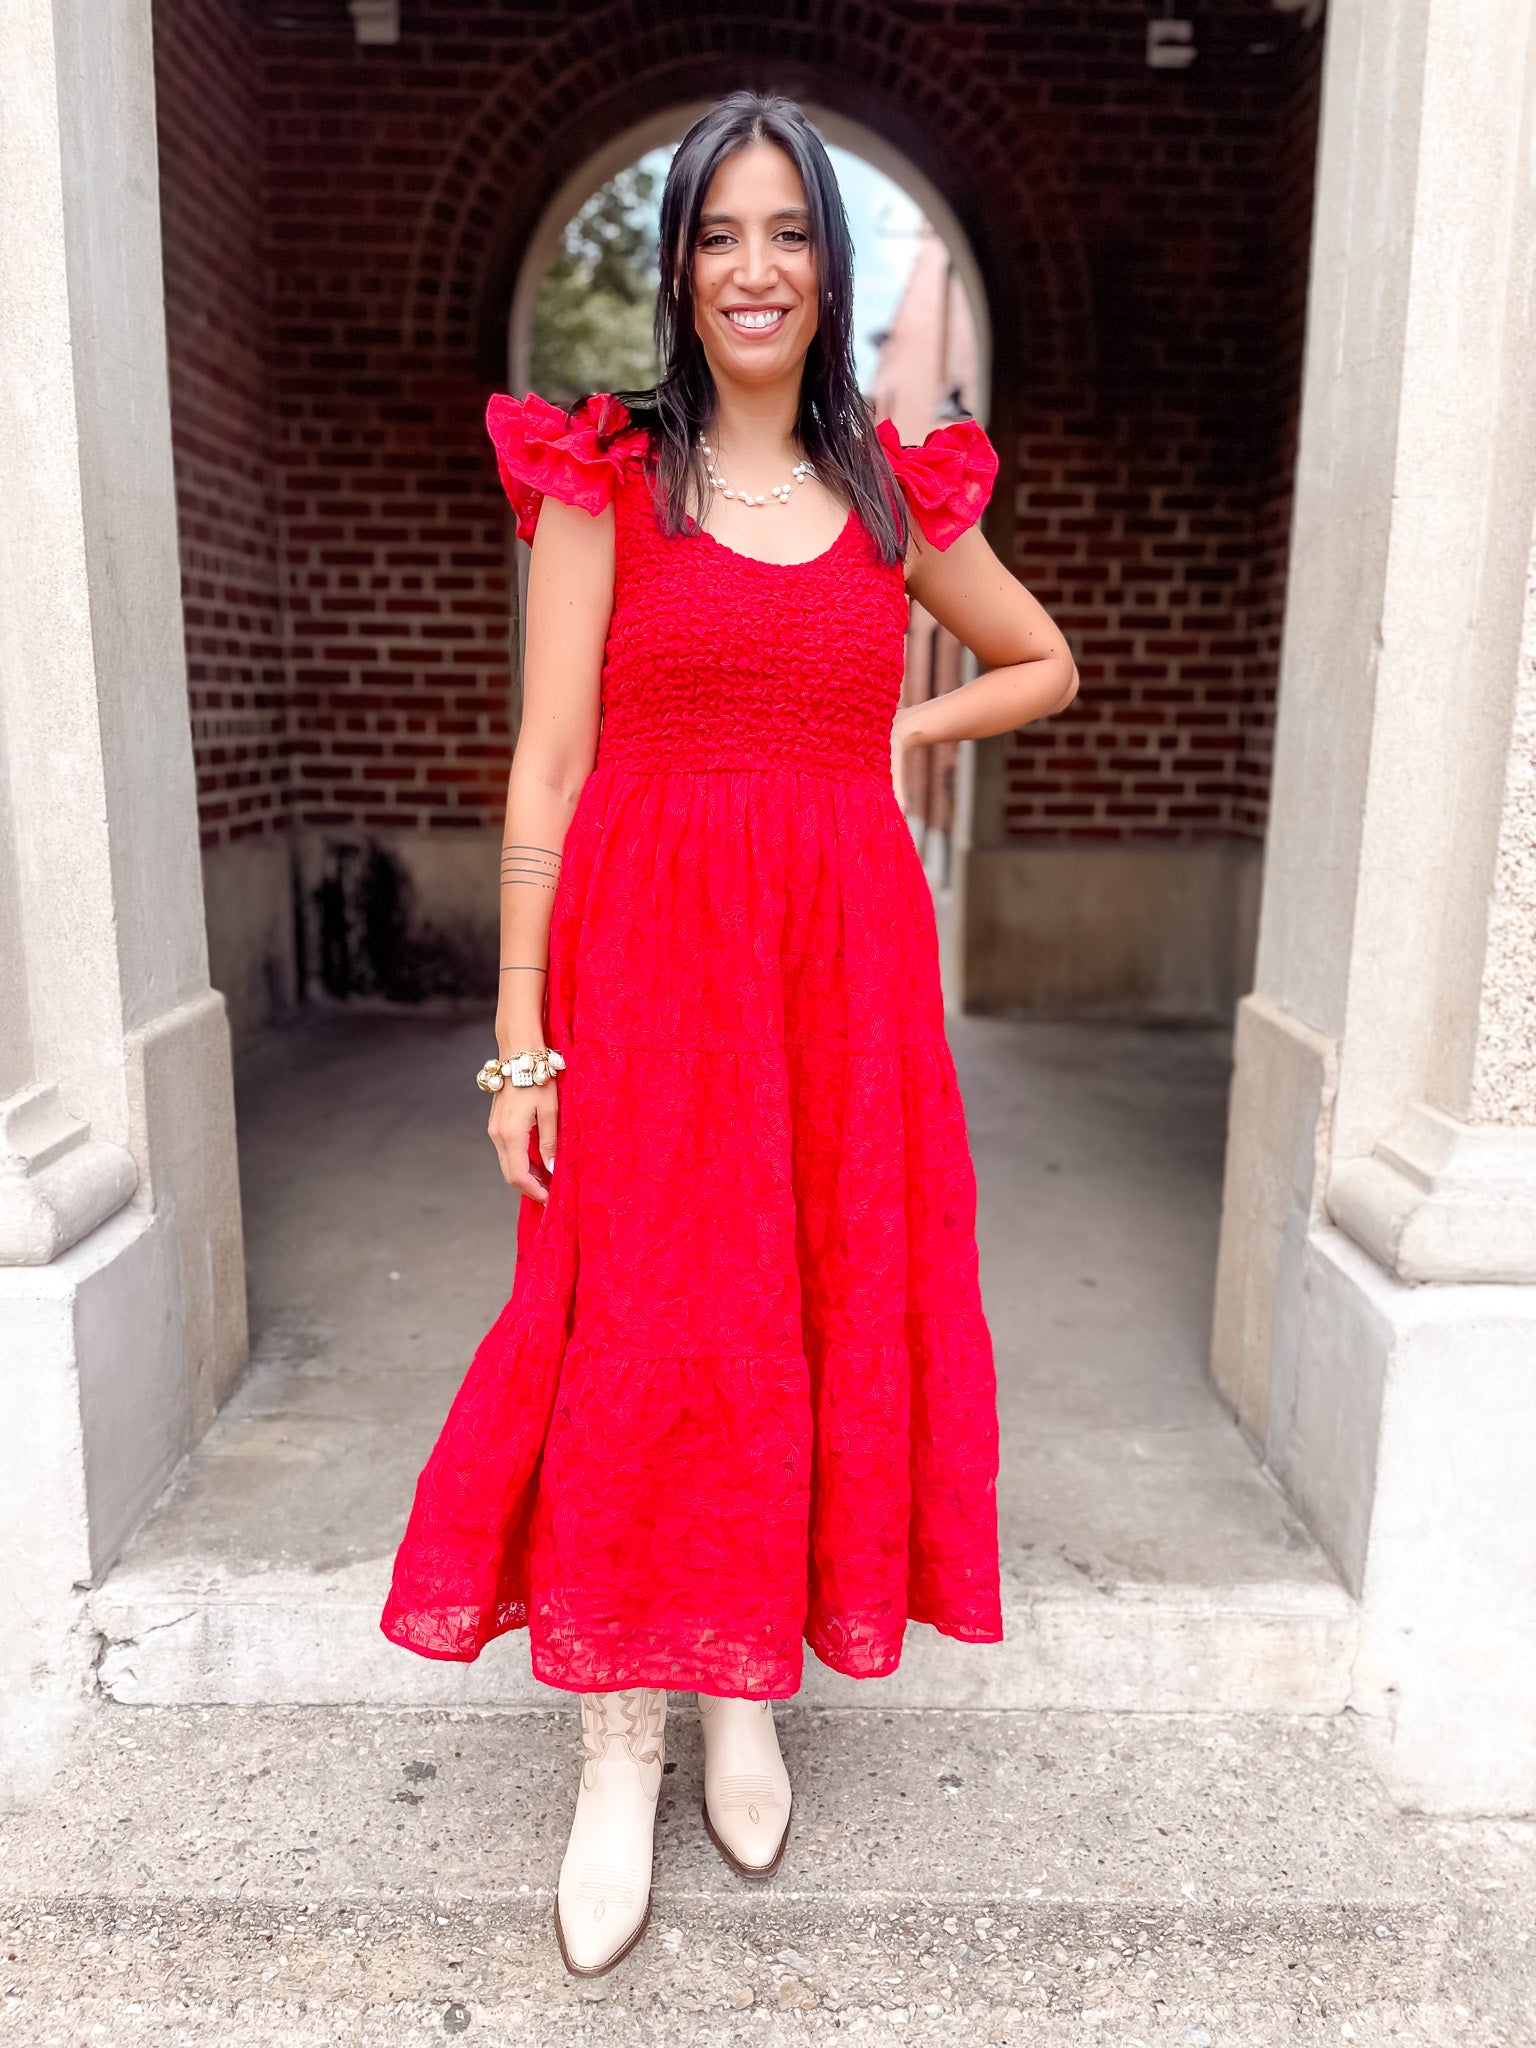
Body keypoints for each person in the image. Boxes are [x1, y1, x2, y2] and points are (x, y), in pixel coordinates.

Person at [379, 90, 1078, 1978]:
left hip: (839, 978)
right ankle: (622, 1738)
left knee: (803, 1314)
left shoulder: (892, 493)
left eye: (789, 235)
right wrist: (522, 1040)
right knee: (636, 1327)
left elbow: (1042, 661)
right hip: (646, 962)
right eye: (719, 235)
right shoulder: (604, 478)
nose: (753, 268)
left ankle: (744, 1683)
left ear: (829, 273)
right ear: (681, 271)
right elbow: (544, 768)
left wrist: (900, 738)